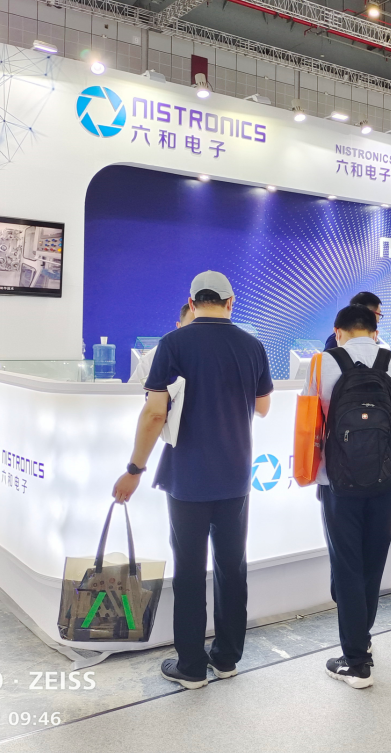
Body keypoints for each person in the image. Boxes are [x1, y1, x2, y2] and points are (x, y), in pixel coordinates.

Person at [112, 271, 273, 689]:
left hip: (187, 475)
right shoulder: (252, 346)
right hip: (235, 473)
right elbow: (263, 407)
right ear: (230, 302)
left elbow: (154, 413)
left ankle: (191, 667)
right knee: (231, 568)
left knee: (189, 570)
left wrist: (134, 468)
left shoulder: (173, 343)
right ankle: (227, 659)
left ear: (192, 301)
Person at [304, 304, 391, 689]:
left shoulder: (321, 363)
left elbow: (308, 423)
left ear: (338, 332)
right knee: (372, 562)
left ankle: (355, 662)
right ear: (374, 331)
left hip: (337, 481)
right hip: (387, 479)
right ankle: (362, 640)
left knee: (346, 565)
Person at [129, 302, 195, 384]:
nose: (199, 332)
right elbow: (134, 387)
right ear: (179, 327)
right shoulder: (158, 354)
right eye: (192, 327)